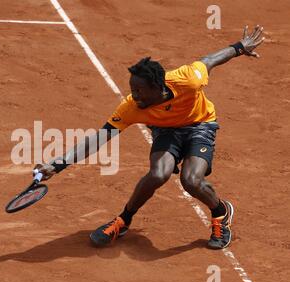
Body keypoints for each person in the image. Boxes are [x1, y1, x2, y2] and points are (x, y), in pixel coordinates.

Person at [34, 25, 265, 250]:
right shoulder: (131, 107)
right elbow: (98, 139)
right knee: (158, 174)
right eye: (132, 90)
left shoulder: (187, 80)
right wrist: (58, 165)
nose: (134, 96)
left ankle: (220, 212)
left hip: (199, 125)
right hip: (165, 130)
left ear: (157, 87)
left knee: (191, 181)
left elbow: (208, 60)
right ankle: (123, 220)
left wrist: (239, 47)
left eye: (139, 91)